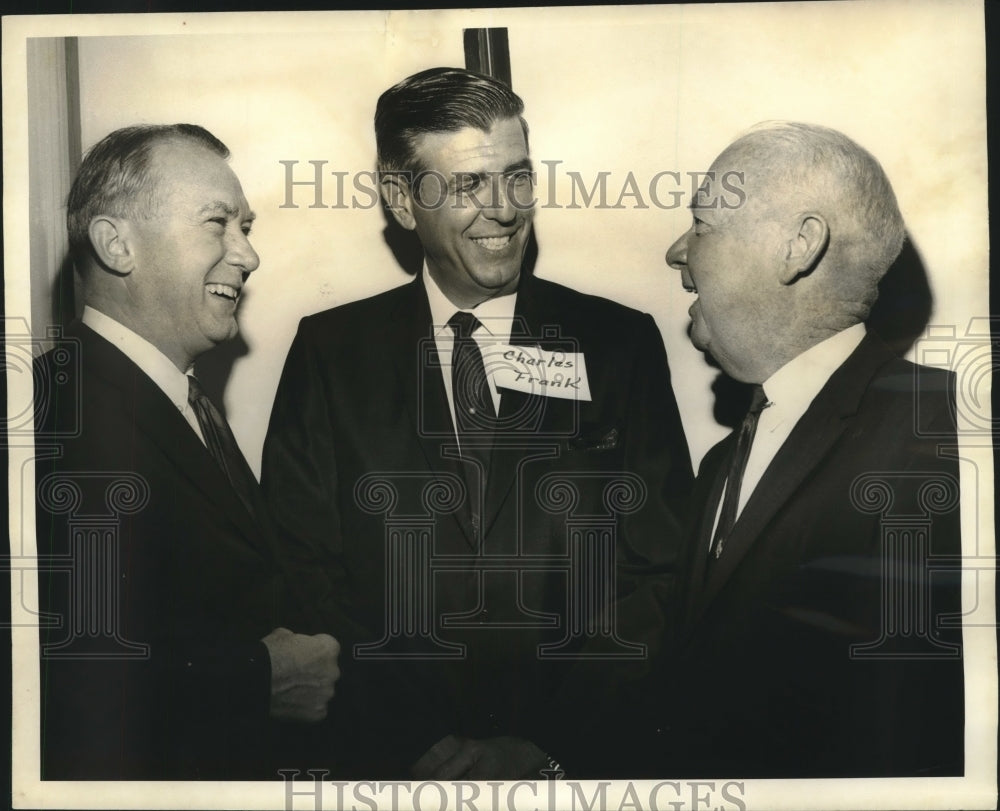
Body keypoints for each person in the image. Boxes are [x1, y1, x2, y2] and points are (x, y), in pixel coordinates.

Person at [261, 67, 693, 778]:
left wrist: (552, 744)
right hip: (390, 764)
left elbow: (657, 571)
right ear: (402, 200)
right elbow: (304, 569)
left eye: (518, 178)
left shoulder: (618, 344)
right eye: (468, 186)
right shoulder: (330, 353)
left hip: (575, 763)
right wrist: (414, 741)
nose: (504, 209)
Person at [637, 121, 963, 777]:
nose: (678, 252)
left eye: (702, 223)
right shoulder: (720, 467)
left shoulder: (943, 432)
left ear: (799, 245)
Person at [34, 124, 341, 780]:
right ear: (117, 244)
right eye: (218, 222)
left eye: (247, 226)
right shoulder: (52, 412)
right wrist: (257, 679)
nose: (249, 255)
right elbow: (54, 670)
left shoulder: (185, 403)